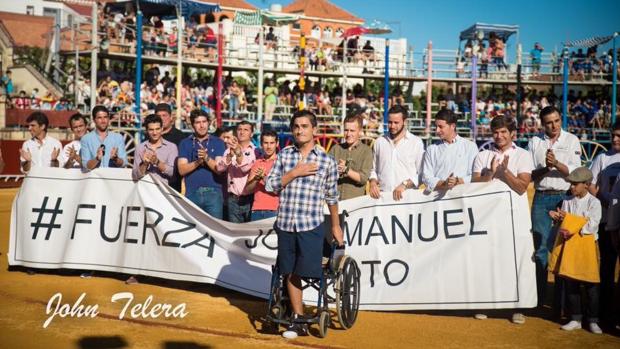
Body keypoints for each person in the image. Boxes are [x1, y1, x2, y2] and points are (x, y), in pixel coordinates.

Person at [265, 110, 343, 339]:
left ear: (314, 130)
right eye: (296, 126)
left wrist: (336, 226)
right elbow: (271, 186)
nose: (300, 130)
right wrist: (294, 172)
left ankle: (305, 311)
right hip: (286, 224)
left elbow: (332, 197)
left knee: (308, 271)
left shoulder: (326, 161)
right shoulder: (284, 156)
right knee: (289, 272)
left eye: (305, 126)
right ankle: (298, 319)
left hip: (311, 225)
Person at [472, 115, 534, 324]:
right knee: (487, 258)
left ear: (512, 134)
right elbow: (474, 184)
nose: (499, 136)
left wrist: (504, 171)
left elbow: (521, 187)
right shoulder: (483, 155)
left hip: (514, 215)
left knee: (516, 259)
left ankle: (517, 307)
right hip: (487, 216)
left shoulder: (523, 155)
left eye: (503, 132)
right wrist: (490, 173)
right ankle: (486, 303)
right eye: (496, 132)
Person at [528, 106, 582, 313]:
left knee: (563, 250)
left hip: (564, 198)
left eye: (557, 120)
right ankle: (540, 299)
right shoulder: (535, 142)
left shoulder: (571, 140)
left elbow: (576, 174)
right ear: (543, 124)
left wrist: (557, 163)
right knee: (541, 249)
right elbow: (531, 174)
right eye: (549, 122)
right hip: (541, 197)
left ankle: (561, 303)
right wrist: (547, 167)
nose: (554, 125)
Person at [549, 167, 602, 334]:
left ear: (586, 185)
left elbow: (591, 226)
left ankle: (593, 320)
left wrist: (569, 220)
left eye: (575, 184)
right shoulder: (567, 201)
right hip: (570, 246)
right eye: (571, 184)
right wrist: (557, 218)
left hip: (587, 247)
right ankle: (576, 318)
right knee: (571, 282)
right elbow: (565, 226)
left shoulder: (595, 202)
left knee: (590, 284)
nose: (572, 187)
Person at [589, 121, 620, 326]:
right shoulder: (602, 157)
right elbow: (590, 184)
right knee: (607, 267)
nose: (615, 139)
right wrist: (605, 197)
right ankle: (604, 312)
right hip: (605, 219)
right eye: (614, 135)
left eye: (619, 136)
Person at [369, 105, 424, 201]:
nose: (392, 126)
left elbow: (422, 173)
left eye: (396, 122)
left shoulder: (416, 142)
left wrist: (405, 184)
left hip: (408, 200)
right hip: (383, 199)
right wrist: (373, 182)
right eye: (390, 122)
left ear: (405, 122)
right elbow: (373, 170)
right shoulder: (379, 142)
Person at [178, 109, 226, 219]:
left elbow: (219, 169)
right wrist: (198, 162)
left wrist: (206, 157)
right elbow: (181, 169)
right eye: (198, 122)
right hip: (192, 192)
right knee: (192, 231)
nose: (202, 125)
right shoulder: (185, 143)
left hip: (214, 193)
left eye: (204, 122)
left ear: (209, 123)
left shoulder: (218, 142)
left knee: (216, 229)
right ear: (192, 125)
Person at [422, 109, 479, 192]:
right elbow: (426, 177)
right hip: (437, 201)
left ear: (453, 126)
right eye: (436, 126)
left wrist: (458, 181)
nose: (437, 130)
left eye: (441, 127)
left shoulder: (470, 146)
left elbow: (475, 175)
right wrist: (444, 183)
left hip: (463, 198)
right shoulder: (431, 149)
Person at [216, 121, 258, 223]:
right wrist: (230, 155)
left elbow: (245, 168)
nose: (242, 132)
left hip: (250, 198)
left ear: (251, 134)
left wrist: (238, 153)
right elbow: (220, 169)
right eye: (239, 129)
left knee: (249, 233)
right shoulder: (228, 150)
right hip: (233, 199)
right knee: (234, 233)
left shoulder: (256, 151)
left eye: (245, 130)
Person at [328, 113, 373, 200]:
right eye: (346, 130)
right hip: (334, 201)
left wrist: (346, 170)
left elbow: (363, 179)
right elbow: (326, 172)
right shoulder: (336, 148)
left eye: (352, 131)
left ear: (360, 131)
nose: (348, 134)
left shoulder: (366, 151)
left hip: (354, 204)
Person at [132, 114, 178, 184]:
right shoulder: (140, 148)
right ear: (146, 130)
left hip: (163, 191)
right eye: (151, 130)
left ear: (162, 128)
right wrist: (145, 164)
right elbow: (135, 176)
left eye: (157, 129)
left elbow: (174, 173)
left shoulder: (171, 147)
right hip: (144, 190)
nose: (155, 133)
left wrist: (157, 162)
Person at [245, 130, 279, 221]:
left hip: (275, 210)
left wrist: (263, 177)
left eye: (271, 143)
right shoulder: (257, 163)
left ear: (277, 143)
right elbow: (248, 189)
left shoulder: (281, 162)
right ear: (261, 144)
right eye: (266, 143)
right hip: (256, 210)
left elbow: (278, 190)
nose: (268, 146)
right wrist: (256, 178)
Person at [80, 105, 127, 170]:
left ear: (108, 119)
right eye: (99, 118)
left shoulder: (118, 138)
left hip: (112, 178)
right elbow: (86, 165)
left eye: (105, 117)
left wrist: (115, 159)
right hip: (94, 179)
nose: (103, 121)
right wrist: (97, 159)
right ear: (94, 120)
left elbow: (124, 163)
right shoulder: (86, 139)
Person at [155, 103, 185, 192]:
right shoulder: (149, 136)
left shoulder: (180, 137)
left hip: (173, 185)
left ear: (171, 117)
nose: (161, 118)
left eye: (164, 115)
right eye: (159, 116)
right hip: (154, 183)